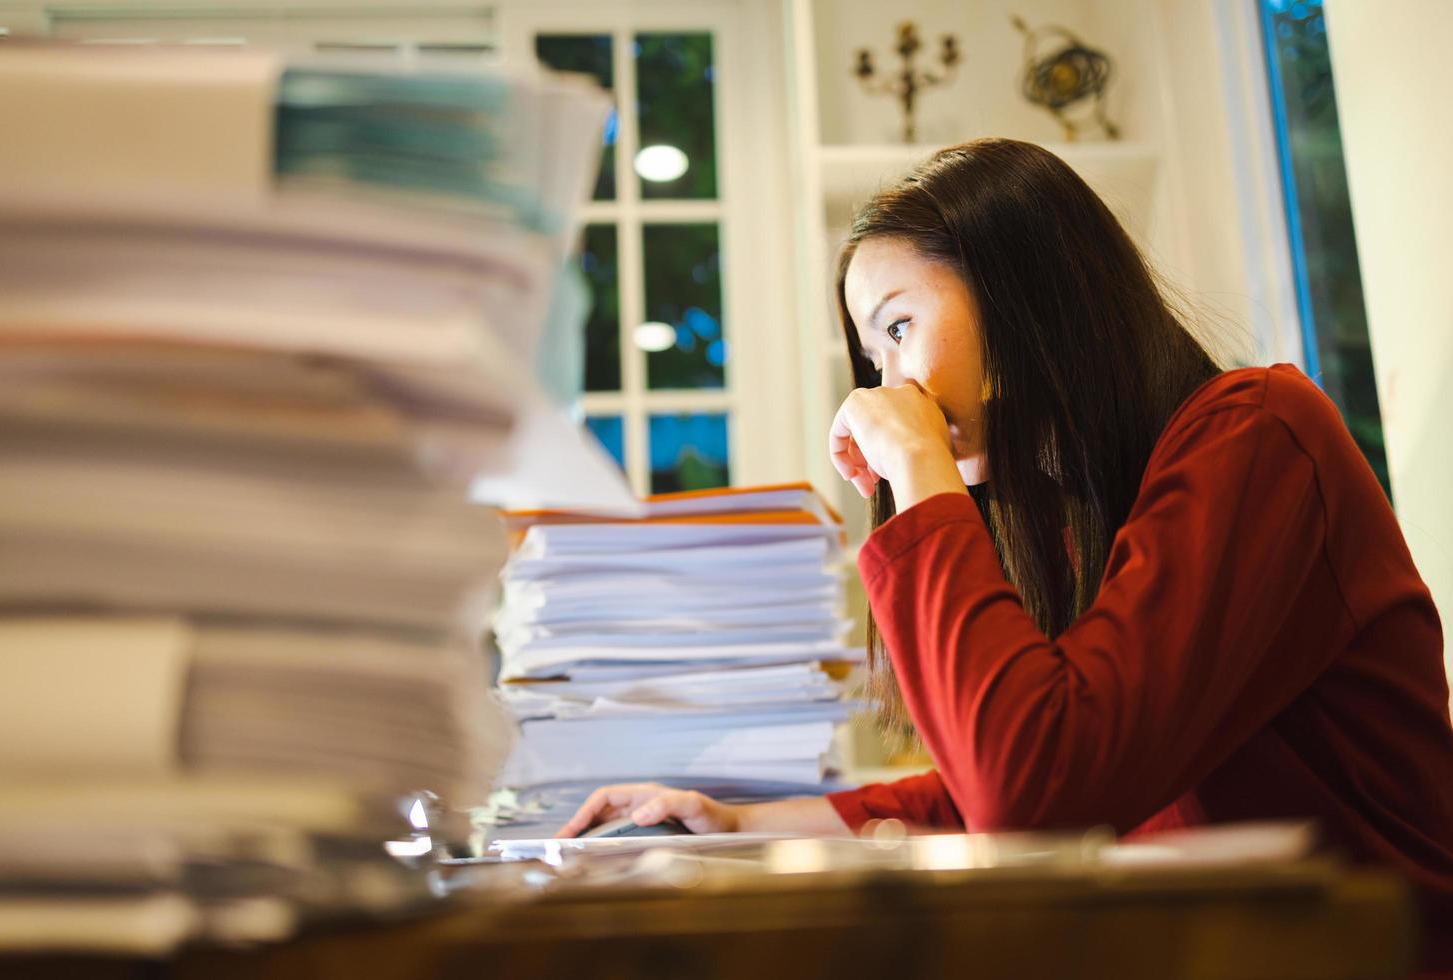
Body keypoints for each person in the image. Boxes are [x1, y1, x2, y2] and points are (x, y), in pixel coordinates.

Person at [555, 138, 1453, 968]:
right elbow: (984, 781)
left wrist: (917, 466)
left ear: (1023, 291)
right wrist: (738, 821)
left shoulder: (1258, 433)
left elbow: (1032, 793)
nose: (884, 389)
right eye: (871, 361)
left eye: (899, 329)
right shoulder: (1071, 509)